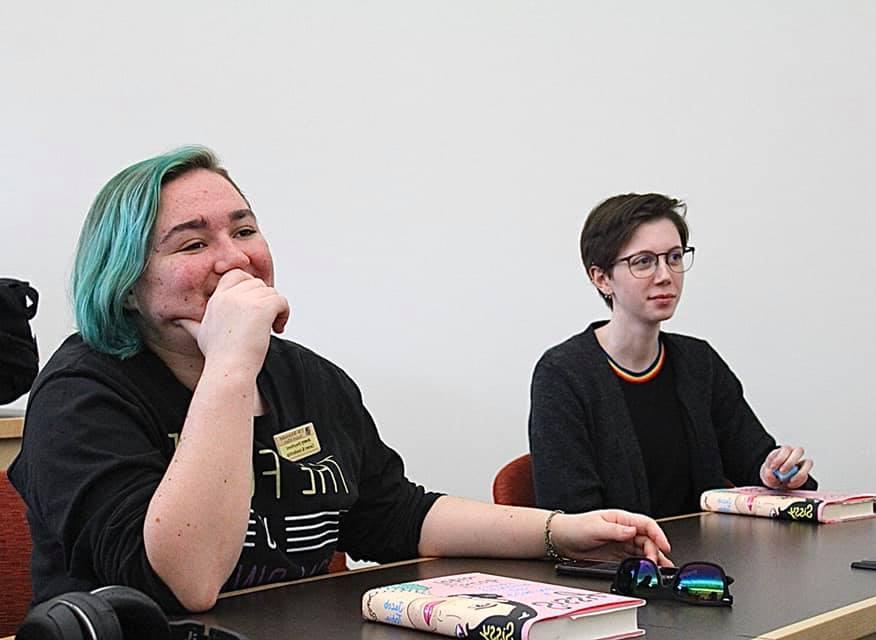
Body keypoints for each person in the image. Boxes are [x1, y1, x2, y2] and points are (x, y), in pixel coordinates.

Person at [8, 148, 672, 614]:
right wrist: (232, 366)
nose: (236, 257)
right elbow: (186, 582)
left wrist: (559, 529)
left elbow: (397, 515)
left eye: (244, 229)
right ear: (124, 282)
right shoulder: (80, 394)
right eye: (191, 244)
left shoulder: (311, 380)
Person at [528, 193, 815, 518]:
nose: (665, 275)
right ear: (601, 277)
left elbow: (752, 460)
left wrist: (777, 472)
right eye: (644, 261)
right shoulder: (563, 374)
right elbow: (573, 515)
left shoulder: (698, 362)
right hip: (623, 564)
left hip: (709, 562)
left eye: (674, 257)